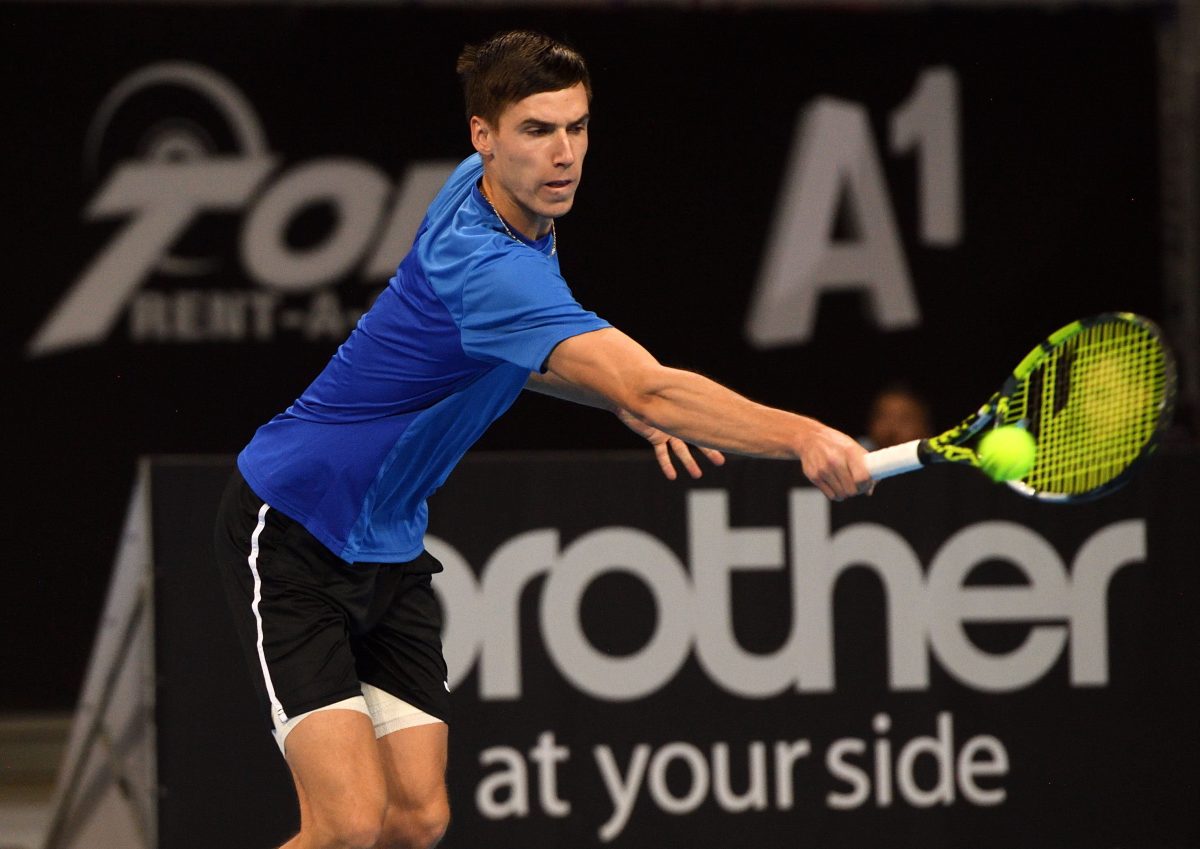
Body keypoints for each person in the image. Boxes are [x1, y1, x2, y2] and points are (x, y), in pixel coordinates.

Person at [213, 29, 873, 849]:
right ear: (482, 136)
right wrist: (803, 434)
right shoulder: (488, 265)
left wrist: (611, 398)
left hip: (387, 540)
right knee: (347, 824)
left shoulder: (492, 195)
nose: (564, 155)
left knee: (417, 818)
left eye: (577, 127)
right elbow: (650, 383)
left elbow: (513, 355)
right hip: (297, 524)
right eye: (536, 130)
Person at [860, 382, 933, 450]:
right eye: (883, 418)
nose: (891, 431)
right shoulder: (860, 450)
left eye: (904, 420)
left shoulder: (937, 458)